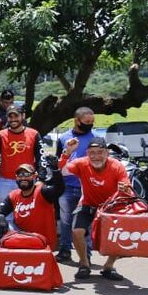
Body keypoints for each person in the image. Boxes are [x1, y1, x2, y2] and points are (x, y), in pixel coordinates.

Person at [58, 137, 132, 280]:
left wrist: (125, 189)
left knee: (118, 236)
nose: (96, 156)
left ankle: (109, 266)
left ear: (107, 153)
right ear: (87, 153)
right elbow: (62, 170)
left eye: (100, 152)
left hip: (111, 207)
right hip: (88, 204)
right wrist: (67, 152)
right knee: (76, 231)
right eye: (92, 152)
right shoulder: (82, 163)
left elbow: (127, 187)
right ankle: (84, 264)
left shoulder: (117, 166)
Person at [0, 162, 64, 254]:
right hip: (20, 236)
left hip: (42, 240)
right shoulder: (14, 195)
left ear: (34, 176)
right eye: (20, 175)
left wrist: (55, 170)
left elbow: (59, 190)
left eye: (27, 174)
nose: (23, 178)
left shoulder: (42, 191)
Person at [0, 103, 43, 217]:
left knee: (27, 213)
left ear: (23, 116)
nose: (13, 119)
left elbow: (41, 158)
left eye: (16, 116)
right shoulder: (1, 134)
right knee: (6, 215)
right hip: (5, 181)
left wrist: (41, 178)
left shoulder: (34, 134)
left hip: (28, 181)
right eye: (10, 116)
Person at [55, 107, 97, 261]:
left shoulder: (96, 139)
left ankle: (86, 254)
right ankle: (65, 249)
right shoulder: (63, 138)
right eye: (87, 122)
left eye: (92, 122)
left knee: (85, 222)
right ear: (77, 120)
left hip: (87, 188)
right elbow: (58, 161)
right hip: (66, 185)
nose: (90, 124)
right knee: (65, 220)